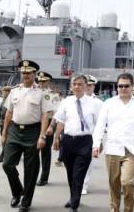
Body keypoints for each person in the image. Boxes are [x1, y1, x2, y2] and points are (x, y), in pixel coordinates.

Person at [93, 73, 134, 212]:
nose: (123, 88)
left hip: (132, 150)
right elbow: (100, 126)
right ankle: (114, 209)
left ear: (132, 87)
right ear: (117, 87)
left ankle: (128, 209)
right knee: (113, 183)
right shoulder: (109, 103)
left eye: (126, 86)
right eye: (120, 86)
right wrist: (96, 145)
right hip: (113, 149)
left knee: (127, 183)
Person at [1, 60, 52, 212]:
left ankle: (26, 201)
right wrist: (4, 133)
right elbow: (9, 113)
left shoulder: (42, 93)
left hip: (33, 131)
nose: (25, 75)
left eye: (29, 73)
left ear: (34, 74)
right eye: (23, 73)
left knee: (31, 169)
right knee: (7, 164)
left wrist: (42, 136)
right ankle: (17, 191)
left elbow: (44, 116)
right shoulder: (14, 91)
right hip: (15, 131)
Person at [53, 74, 99, 212]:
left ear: (86, 86)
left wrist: (98, 143)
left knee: (78, 174)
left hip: (85, 142)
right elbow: (61, 120)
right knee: (70, 173)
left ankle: (74, 204)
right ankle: (73, 196)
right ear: (71, 86)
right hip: (68, 141)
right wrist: (56, 138)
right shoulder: (66, 101)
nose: (77, 87)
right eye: (75, 84)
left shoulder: (94, 104)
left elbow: (98, 125)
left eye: (80, 84)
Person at [82, 75, 104, 195]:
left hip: (91, 137)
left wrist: (99, 141)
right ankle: (77, 183)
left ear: (94, 86)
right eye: (87, 84)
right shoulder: (75, 99)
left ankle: (84, 185)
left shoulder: (99, 103)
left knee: (89, 162)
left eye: (90, 85)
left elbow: (100, 124)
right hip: (76, 136)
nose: (88, 87)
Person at [36, 71, 55, 186]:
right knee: (33, 152)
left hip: (47, 125)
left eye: (44, 81)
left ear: (48, 82)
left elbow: (56, 113)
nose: (41, 83)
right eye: (40, 81)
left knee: (45, 153)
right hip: (35, 125)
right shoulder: (34, 92)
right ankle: (33, 174)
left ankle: (44, 177)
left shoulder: (53, 95)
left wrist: (51, 126)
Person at [0, 86, 11, 163]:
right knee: (3, 138)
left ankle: (3, 155)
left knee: (6, 139)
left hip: (9, 123)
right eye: (3, 91)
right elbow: (0, 111)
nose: (4, 93)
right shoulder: (4, 100)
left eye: (5, 91)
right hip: (2, 122)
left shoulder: (11, 100)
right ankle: (5, 153)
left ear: (9, 92)